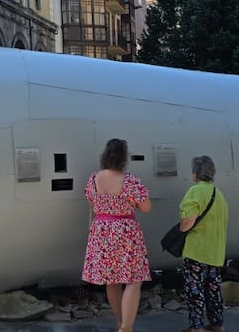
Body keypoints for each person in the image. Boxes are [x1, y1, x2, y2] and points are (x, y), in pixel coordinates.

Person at [82, 138, 152, 332]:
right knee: (134, 279)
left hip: (101, 230)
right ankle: (126, 328)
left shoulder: (93, 179)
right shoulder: (129, 180)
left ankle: (120, 323)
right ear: (123, 157)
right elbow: (146, 207)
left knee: (111, 280)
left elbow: (92, 204)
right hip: (125, 231)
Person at [176, 155, 229, 332]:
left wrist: (182, 227)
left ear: (195, 173)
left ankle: (197, 328)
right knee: (214, 291)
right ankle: (217, 325)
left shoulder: (195, 191)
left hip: (197, 252)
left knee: (195, 292)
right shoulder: (219, 194)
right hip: (216, 252)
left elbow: (187, 223)